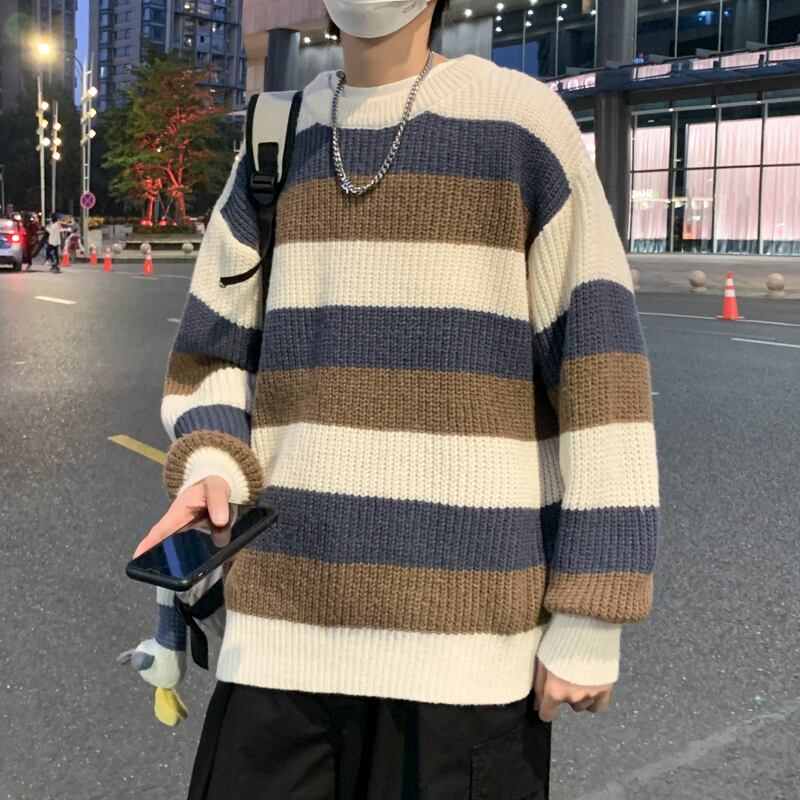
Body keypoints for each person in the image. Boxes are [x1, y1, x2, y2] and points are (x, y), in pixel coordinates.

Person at [134, 1, 660, 797]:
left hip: (468, 656)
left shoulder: (522, 123)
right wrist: (214, 462)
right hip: (280, 635)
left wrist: (592, 614)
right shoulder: (276, 133)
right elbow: (212, 350)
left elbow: (602, 367)